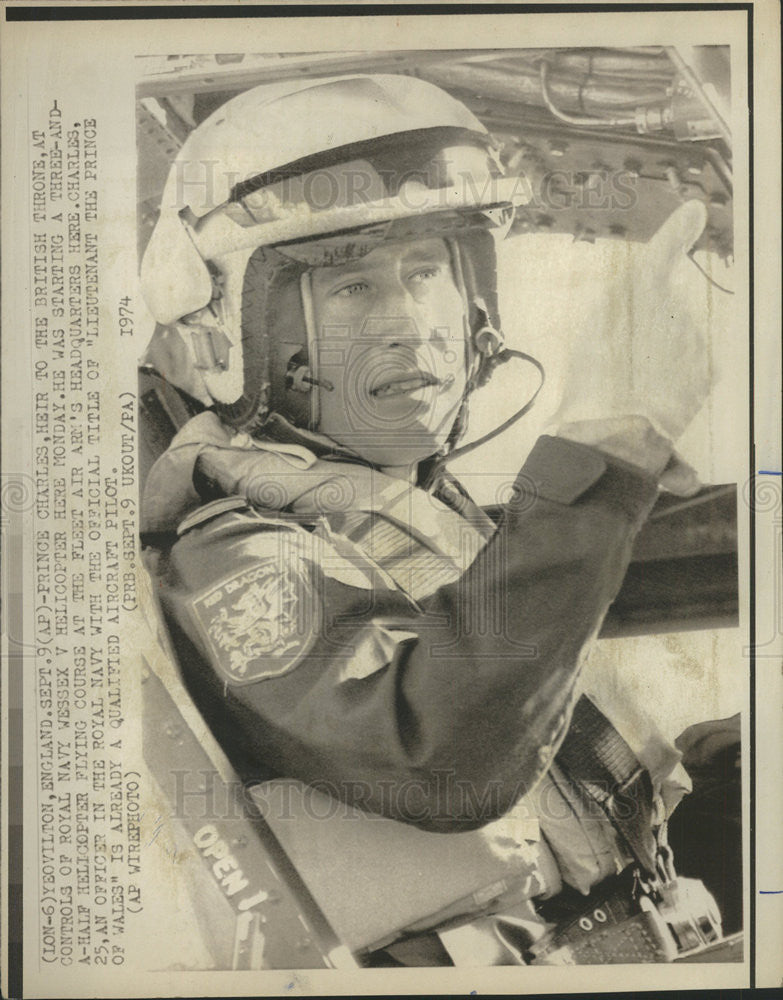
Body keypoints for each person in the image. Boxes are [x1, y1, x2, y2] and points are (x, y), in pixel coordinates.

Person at [139, 73, 719, 963]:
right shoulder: (233, 555)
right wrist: (611, 446)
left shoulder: (420, 515)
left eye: (425, 274)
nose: (410, 324)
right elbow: (439, 753)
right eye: (351, 290)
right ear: (235, 334)